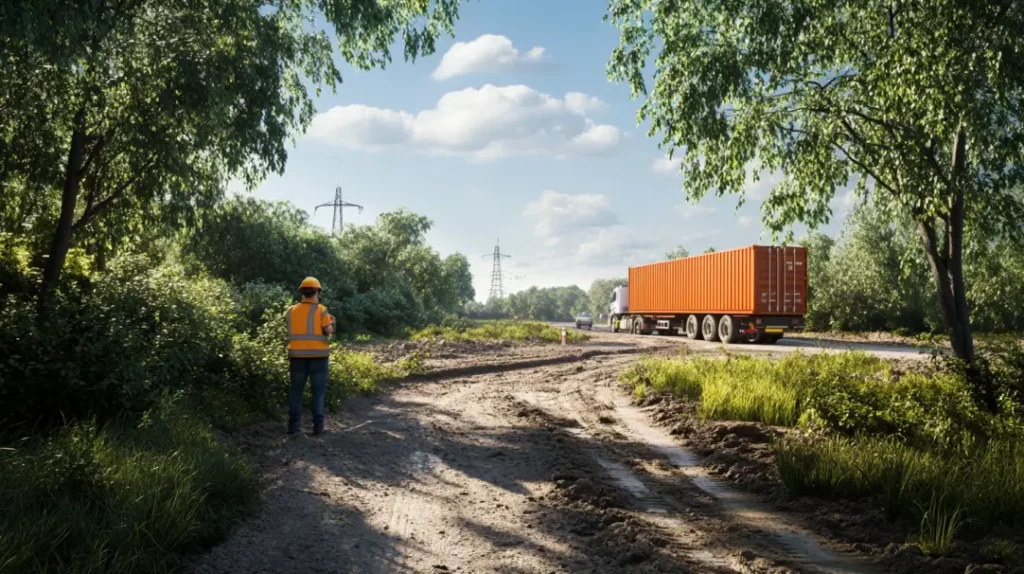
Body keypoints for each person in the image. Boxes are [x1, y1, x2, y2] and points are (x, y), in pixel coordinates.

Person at [285, 277, 336, 435]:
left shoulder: (290, 310)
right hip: (319, 357)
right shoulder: (321, 310)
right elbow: (328, 332)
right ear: (317, 292)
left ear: (302, 292)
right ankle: (318, 428)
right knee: (318, 392)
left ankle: (293, 426)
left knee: (296, 391)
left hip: (297, 357)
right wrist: (332, 324)